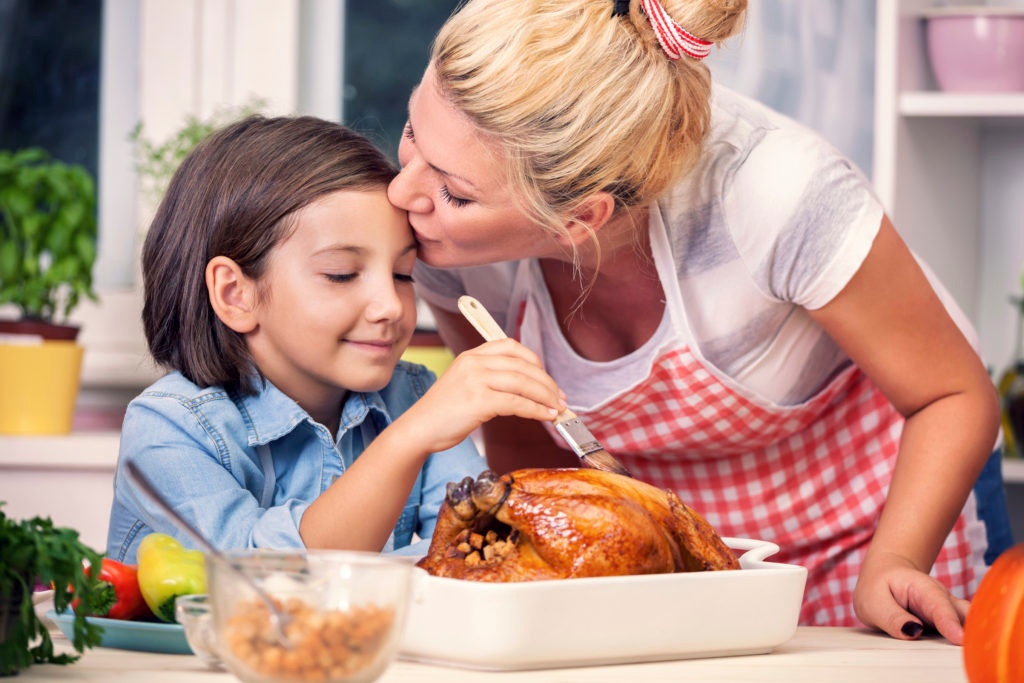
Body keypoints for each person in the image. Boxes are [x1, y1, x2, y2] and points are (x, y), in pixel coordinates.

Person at [386, 0, 1012, 644]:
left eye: (455, 192)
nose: (402, 194)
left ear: (581, 219)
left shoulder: (775, 192)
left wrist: (897, 560)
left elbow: (951, 396)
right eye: (410, 132)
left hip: (881, 517)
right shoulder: (445, 246)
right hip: (671, 551)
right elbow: (529, 442)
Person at [107, 115, 565, 564]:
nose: (390, 305)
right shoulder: (169, 428)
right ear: (235, 293)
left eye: (403, 274)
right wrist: (407, 440)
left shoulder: (413, 396)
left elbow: (475, 555)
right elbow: (258, 578)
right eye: (341, 274)